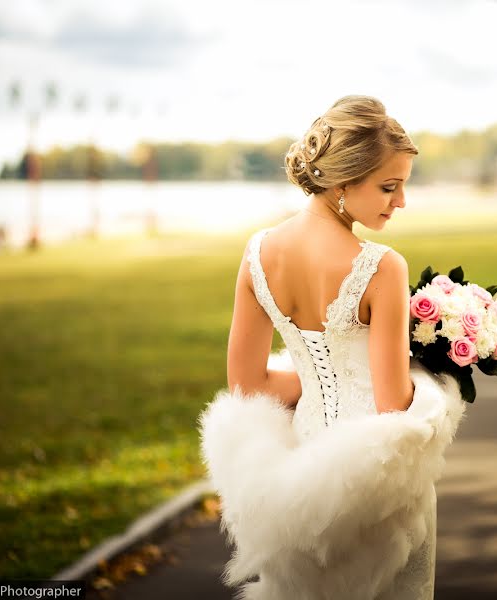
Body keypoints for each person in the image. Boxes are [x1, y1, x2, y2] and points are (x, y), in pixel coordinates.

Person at [198, 95, 467, 600]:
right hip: (377, 477)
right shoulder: (382, 266)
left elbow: (247, 385)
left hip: (298, 478)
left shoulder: (258, 254)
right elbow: (392, 405)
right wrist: (433, 369)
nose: (400, 202)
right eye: (389, 187)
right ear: (343, 181)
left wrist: (321, 379)